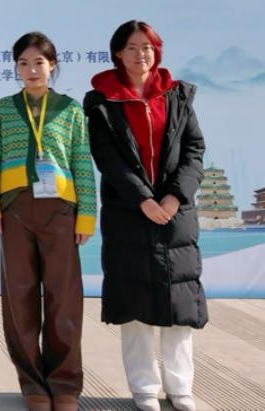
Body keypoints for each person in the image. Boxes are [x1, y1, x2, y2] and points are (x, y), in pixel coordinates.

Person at [83, 20, 207, 411]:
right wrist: (142, 200)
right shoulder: (102, 101)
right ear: (118, 54)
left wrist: (174, 197)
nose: (141, 55)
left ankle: (180, 386)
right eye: (133, 48)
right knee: (134, 303)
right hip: (128, 212)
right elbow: (108, 158)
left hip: (176, 214)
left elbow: (194, 150)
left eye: (148, 47)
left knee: (179, 302)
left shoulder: (177, 95)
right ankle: (143, 388)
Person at [0, 32, 96, 411]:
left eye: (39, 63)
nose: (31, 70)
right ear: (16, 67)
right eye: (24, 63)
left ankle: (64, 384)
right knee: (20, 297)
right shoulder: (4, 108)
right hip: (15, 209)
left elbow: (81, 162)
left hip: (61, 212)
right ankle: (32, 382)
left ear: (53, 66)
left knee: (65, 298)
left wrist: (86, 215)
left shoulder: (70, 109)